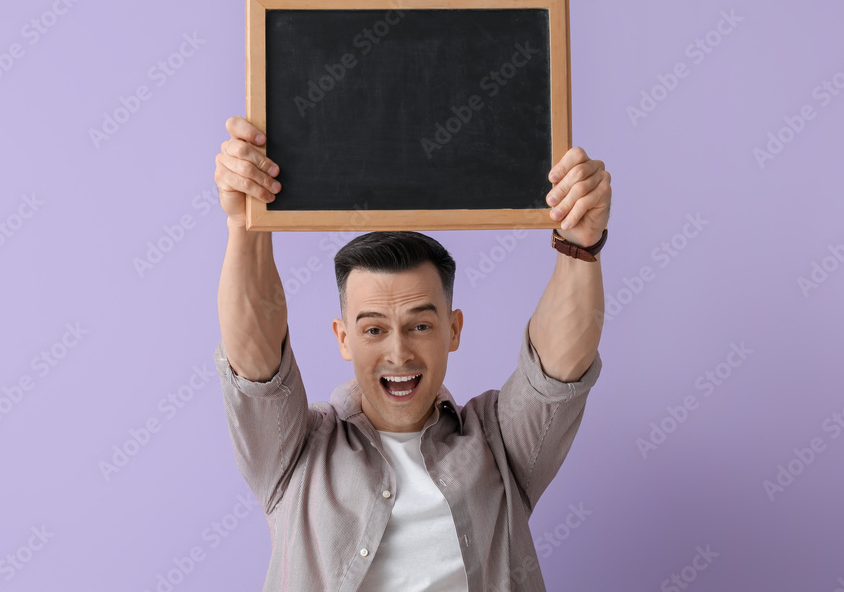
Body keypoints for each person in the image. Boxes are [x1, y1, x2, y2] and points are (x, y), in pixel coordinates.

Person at [212, 115, 611, 591]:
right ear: (343, 338)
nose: (399, 352)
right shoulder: (297, 450)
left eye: (420, 325)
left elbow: (556, 373)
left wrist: (580, 245)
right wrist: (245, 225)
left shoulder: (498, 444)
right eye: (374, 329)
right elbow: (256, 361)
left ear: (453, 329)